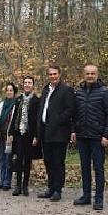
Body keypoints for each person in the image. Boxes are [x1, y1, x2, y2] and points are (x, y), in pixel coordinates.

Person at [72, 64, 108, 210]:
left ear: (97, 75)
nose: (90, 76)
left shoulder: (104, 92)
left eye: (92, 73)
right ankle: (86, 196)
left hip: (98, 137)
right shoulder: (78, 92)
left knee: (98, 168)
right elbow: (74, 114)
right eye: (87, 73)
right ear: (84, 75)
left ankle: (98, 199)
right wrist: (73, 130)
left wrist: (107, 135)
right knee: (85, 168)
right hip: (82, 136)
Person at [37, 65, 75, 202]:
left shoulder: (66, 90)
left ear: (59, 74)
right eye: (50, 74)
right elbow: (43, 108)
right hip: (45, 132)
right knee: (48, 161)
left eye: (55, 74)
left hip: (59, 132)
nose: (53, 76)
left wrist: (57, 120)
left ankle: (58, 190)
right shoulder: (46, 89)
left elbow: (70, 110)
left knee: (58, 162)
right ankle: (51, 187)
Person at [9, 76, 42, 196]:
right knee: (18, 159)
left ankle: (25, 185)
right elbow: (14, 118)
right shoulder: (18, 100)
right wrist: (11, 133)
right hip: (19, 133)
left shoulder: (36, 100)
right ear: (23, 85)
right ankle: (17, 185)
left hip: (29, 134)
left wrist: (36, 136)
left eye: (29, 83)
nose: (27, 85)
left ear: (33, 85)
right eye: (25, 83)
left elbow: (38, 120)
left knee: (27, 160)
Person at [0, 83, 17, 191]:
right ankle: (1, 180)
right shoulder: (1, 105)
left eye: (11, 90)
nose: (9, 92)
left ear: (14, 92)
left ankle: (7, 182)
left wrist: (12, 135)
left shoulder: (16, 104)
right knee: (1, 159)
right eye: (7, 90)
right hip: (0, 135)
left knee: (8, 160)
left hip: (9, 136)